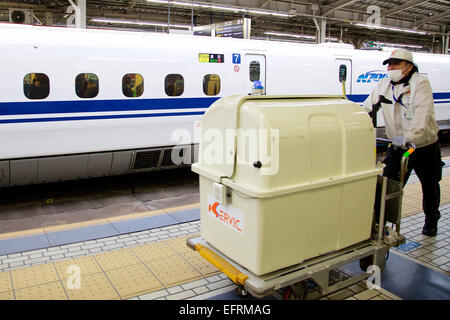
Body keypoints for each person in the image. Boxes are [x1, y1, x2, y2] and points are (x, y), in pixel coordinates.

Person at [363, 48, 444, 236]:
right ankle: (380, 223)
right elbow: (368, 105)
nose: (391, 68)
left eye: (395, 64)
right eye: (389, 64)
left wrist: (410, 137)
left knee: (429, 184)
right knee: (387, 184)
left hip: (423, 146)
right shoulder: (384, 84)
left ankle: (432, 220)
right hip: (398, 148)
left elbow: (423, 115)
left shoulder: (420, 83)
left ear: (408, 67)